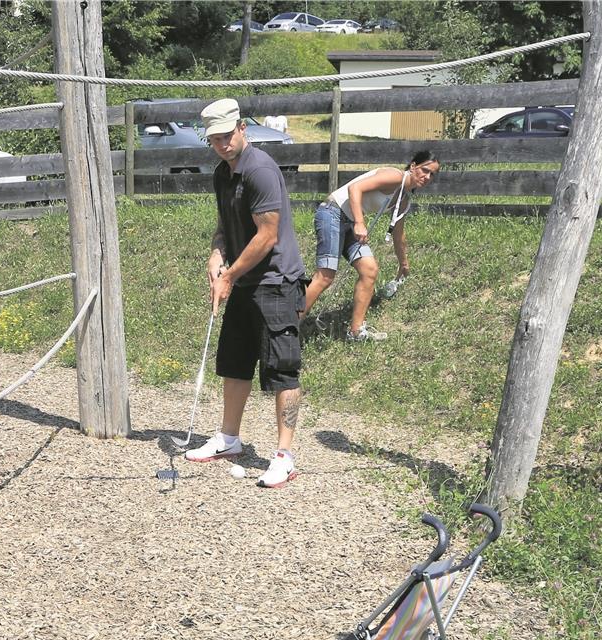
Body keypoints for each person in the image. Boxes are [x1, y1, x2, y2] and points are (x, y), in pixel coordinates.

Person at [184, 98, 306, 488]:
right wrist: (216, 255)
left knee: (281, 368)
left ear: (241, 129)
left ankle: (284, 456)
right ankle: (228, 439)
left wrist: (230, 276)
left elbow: (267, 236)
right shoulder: (223, 173)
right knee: (234, 363)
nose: (221, 144)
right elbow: (225, 224)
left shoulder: (261, 171)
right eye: (214, 139)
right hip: (243, 279)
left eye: (226, 136)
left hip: (275, 280)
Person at [302, 151, 440, 341]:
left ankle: (356, 332)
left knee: (369, 270)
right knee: (325, 276)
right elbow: (355, 188)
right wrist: (360, 222)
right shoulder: (395, 176)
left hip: (350, 222)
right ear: (413, 166)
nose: (427, 177)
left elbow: (399, 235)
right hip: (332, 213)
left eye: (432, 174)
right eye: (425, 170)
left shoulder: (403, 199)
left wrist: (404, 264)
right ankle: (285, 328)